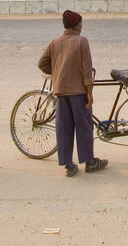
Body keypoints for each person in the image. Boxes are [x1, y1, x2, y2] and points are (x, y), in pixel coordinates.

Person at [38, 10, 107, 176]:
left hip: (61, 92)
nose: (82, 26)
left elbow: (42, 64)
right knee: (84, 127)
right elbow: (86, 71)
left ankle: (68, 165)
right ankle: (89, 161)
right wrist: (90, 95)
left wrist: (57, 71)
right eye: (81, 24)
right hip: (78, 92)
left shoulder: (54, 42)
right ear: (77, 26)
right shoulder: (81, 41)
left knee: (64, 128)